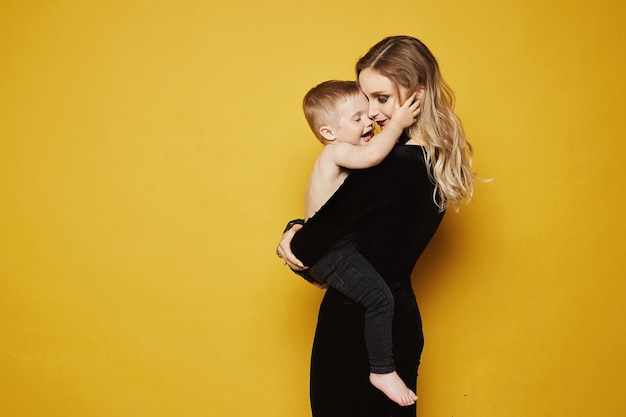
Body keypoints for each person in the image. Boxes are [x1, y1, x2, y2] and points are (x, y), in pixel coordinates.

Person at [277, 35, 479, 417]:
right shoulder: (434, 161)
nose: (371, 113)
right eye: (367, 99)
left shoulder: (388, 165)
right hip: (398, 325)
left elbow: (307, 252)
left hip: (353, 331)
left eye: (382, 99)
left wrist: (293, 233)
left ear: (416, 95)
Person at [298, 80, 421, 406]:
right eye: (358, 118)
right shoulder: (338, 152)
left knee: (376, 297)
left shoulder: (341, 156)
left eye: (370, 115)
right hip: (332, 252)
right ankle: (382, 370)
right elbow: (373, 155)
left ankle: (382, 369)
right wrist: (396, 123)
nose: (369, 122)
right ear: (328, 133)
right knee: (380, 299)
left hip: (336, 250)